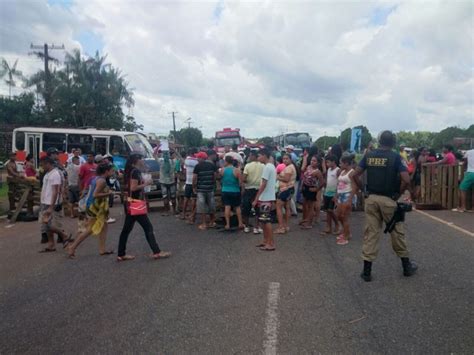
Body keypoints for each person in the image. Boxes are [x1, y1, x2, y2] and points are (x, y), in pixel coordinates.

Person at [353, 130, 417, 282]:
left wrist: (364, 190)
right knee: (397, 232)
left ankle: (366, 271)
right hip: (389, 200)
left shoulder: (368, 155)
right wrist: (398, 194)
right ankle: (406, 266)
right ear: (393, 142)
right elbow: (406, 179)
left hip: (371, 199)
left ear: (379, 141)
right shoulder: (395, 157)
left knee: (371, 233)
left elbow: (354, 174)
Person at [117, 154, 171, 261]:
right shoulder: (135, 172)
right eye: (141, 159)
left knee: (126, 230)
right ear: (136, 160)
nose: (143, 160)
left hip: (130, 203)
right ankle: (157, 252)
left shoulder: (130, 171)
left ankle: (121, 254)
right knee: (148, 228)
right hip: (136, 204)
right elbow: (134, 187)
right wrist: (146, 183)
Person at [66, 163, 115, 258]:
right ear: (106, 171)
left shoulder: (95, 178)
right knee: (90, 229)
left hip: (93, 206)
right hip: (95, 207)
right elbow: (95, 195)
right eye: (111, 171)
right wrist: (109, 193)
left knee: (103, 227)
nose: (112, 172)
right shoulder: (102, 181)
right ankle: (72, 247)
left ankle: (102, 249)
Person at [38, 156, 72, 253]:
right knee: (46, 224)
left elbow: (55, 192)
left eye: (43, 164)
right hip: (45, 201)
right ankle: (51, 244)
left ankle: (63, 235)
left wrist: (51, 207)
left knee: (47, 224)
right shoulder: (48, 174)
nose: (42, 166)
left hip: (50, 202)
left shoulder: (55, 174)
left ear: (48, 163)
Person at [253, 148, 277, 251]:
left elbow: (264, 183)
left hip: (265, 198)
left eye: (259, 156)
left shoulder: (267, 167)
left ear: (264, 155)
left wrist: (256, 197)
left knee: (266, 221)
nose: (258, 158)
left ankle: (270, 243)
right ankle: (266, 241)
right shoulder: (270, 166)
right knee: (263, 221)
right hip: (267, 197)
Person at [334, 155, 358, 246]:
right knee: (339, 215)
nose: (339, 164)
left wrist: (350, 200)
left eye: (341, 163)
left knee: (344, 216)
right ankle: (345, 232)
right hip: (340, 195)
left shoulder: (352, 173)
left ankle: (347, 236)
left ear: (346, 163)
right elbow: (339, 183)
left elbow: (354, 187)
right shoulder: (343, 171)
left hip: (347, 195)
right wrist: (336, 195)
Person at [193, 151, 218, 230]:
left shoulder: (197, 166)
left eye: (198, 157)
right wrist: (213, 184)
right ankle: (212, 221)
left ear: (201, 158)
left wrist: (194, 187)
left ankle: (204, 224)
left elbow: (194, 178)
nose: (197, 159)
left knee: (202, 206)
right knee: (211, 205)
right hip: (210, 188)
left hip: (201, 189)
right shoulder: (212, 165)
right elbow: (215, 176)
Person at [242, 150, 264, 234]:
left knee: (246, 208)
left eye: (250, 155)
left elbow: (244, 179)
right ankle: (256, 227)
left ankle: (247, 226)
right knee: (258, 209)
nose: (249, 157)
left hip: (249, 189)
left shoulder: (247, 166)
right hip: (259, 189)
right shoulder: (263, 166)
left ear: (253, 156)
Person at [220, 155, 244, 230]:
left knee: (227, 207)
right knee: (237, 207)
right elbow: (240, 182)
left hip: (225, 190)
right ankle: (240, 223)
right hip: (235, 190)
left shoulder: (222, 170)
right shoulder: (237, 170)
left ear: (226, 161)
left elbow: (221, 179)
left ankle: (227, 224)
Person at [300, 155, 324, 229]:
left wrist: (316, 189)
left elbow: (322, 182)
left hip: (311, 189)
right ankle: (305, 220)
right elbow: (304, 177)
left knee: (311, 207)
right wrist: (302, 186)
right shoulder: (308, 167)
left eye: (314, 161)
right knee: (304, 204)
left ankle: (309, 223)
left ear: (318, 163)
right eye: (311, 160)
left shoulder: (318, 172)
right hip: (305, 187)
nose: (312, 162)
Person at [275, 153, 297, 234]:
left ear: (290, 159)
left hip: (285, 189)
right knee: (287, 207)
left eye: (287, 158)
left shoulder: (288, 168)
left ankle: (281, 227)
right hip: (289, 188)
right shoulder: (290, 167)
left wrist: (278, 176)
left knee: (278, 206)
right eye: (284, 159)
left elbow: (286, 179)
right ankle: (286, 226)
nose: (285, 160)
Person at [321, 155, 341, 235]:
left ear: (333, 162)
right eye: (326, 162)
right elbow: (327, 181)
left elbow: (340, 183)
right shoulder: (329, 170)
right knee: (327, 211)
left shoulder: (338, 170)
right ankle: (328, 227)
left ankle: (337, 224)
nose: (327, 164)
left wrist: (336, 194)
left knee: (331, 210)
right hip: (327, 193)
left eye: (328, 162)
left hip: (333, 193)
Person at [453, 148, 474, 212]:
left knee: (462, 189)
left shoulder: (469, 151)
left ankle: (463, 207)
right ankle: (473, 208)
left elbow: (465, 162)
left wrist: (463, 167)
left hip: (471, 173)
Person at [181, 148, 199, 223]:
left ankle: (183, 214)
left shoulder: (186, 160)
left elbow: (184, 171)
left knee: (186, 198)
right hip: (195, 183)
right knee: (193, 199)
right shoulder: (197, 161)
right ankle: (192, 216)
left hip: (188, 182)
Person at [158, 150, 177, 216]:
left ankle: (166, 211)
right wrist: (173, 149)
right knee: (173, 197)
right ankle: (174, 211)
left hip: (163, 182)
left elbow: (154, 155)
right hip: (172, 181)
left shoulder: (161, 161)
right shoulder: (173, 161)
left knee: (165, 197)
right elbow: (179, 158)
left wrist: (157, 147)